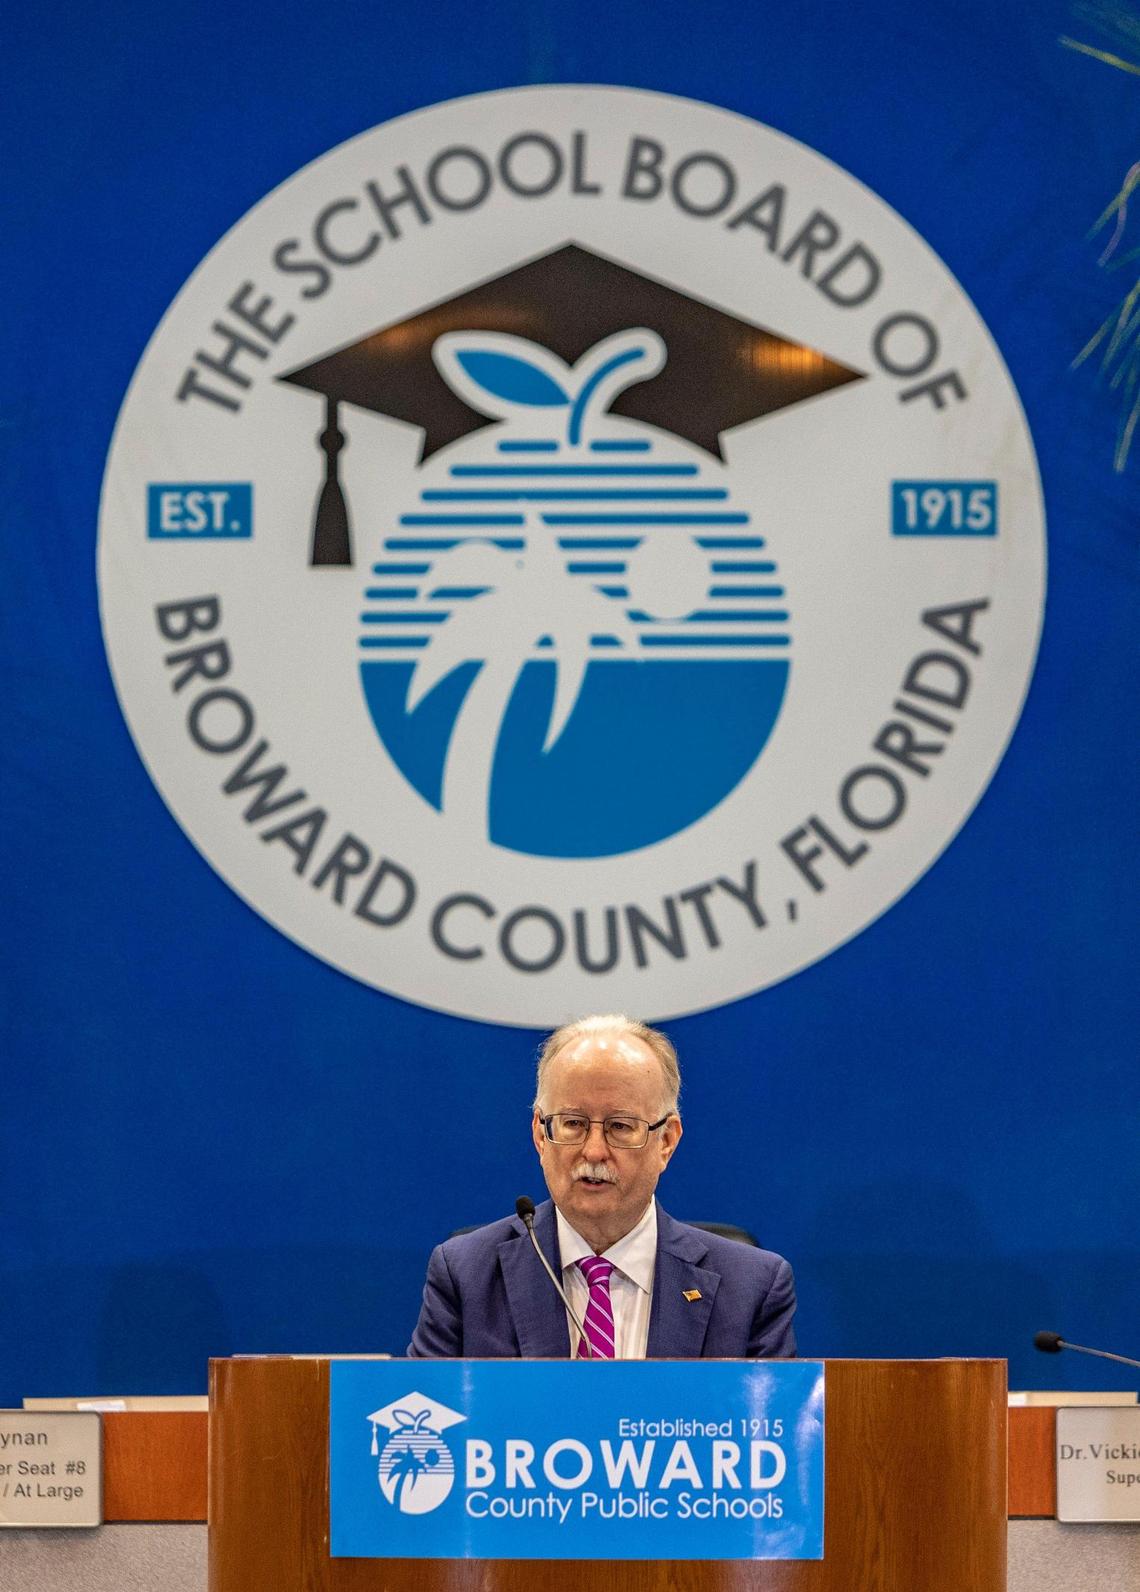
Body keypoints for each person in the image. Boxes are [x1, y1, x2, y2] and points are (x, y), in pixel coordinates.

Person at [407, 1013, 796, 1358]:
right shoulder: (466, 1275)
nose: (593, 1151)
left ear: (667, 1141)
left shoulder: (751, 1288)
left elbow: (771, 1435)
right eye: (573, 1123)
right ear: (541, 1136)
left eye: (621, 1126)